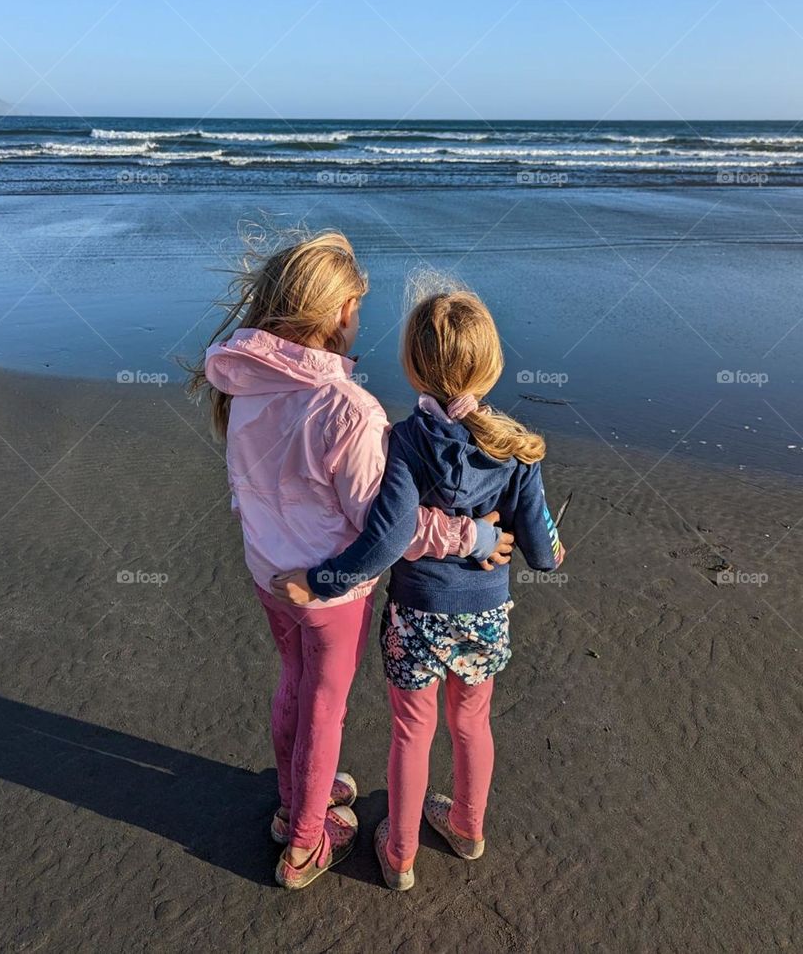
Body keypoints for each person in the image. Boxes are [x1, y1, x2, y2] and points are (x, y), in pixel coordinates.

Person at [188, 231, 511, 889]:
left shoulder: (247, 381)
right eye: (358, 305)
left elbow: (251, 477)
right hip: (329, 591)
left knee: (295, 684)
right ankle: (306, 841)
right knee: (324, 706)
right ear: (339, 314)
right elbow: (388, 527)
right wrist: (469, 538)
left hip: (269, 572)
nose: (361, 317)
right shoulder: (349, 411)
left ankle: (293, 801)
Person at [272, 285, 565, 890]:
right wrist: (554, 545)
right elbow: (541, 553)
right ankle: (467, 827)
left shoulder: (404, 441)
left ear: (411, 367)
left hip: (417, 616)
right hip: (485, 615)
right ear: (492, 365)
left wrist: (323, 579)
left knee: (413, 730)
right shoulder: (516, 450)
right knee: (472, 721)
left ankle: (400, 854)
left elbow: (386, 540)